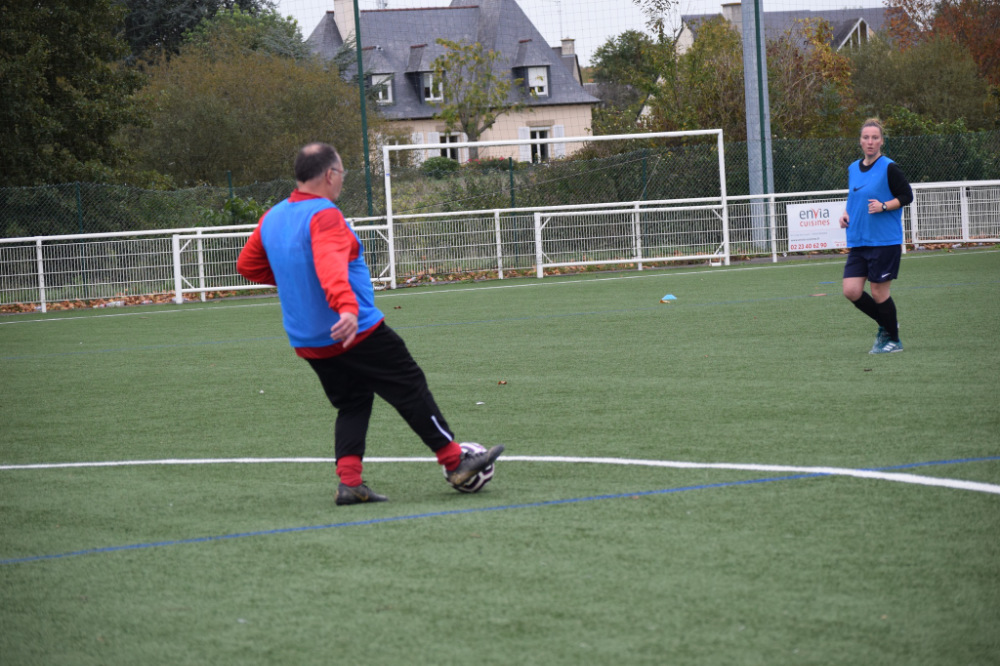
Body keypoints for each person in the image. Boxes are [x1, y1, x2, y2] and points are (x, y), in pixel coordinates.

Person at [237, 142, 503, 505]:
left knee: (353, 402)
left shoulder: (274, 216)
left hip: (309, 339)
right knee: (409, 386)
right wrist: (346, 308)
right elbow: (330, 264)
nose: (341, 180)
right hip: (355, 328)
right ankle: (456, 461)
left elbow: (248, 266)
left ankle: (350, 483)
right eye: (342, 173)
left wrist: (299, 278)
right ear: (330, 175)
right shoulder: (324, 213)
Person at [838, 118, 913, 354]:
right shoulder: (853, 168)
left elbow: (906, 196)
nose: (870, 142)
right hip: (859, 240)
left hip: (884, 241)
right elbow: (854, 198)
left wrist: (883, 206)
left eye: (875, 137)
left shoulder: (889, 167)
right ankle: (886, 323)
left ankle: (894, 340)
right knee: (851, 290)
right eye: (866, 137)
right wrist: (845, 214)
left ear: (881, 141)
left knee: (879, 292)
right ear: (860, 141)